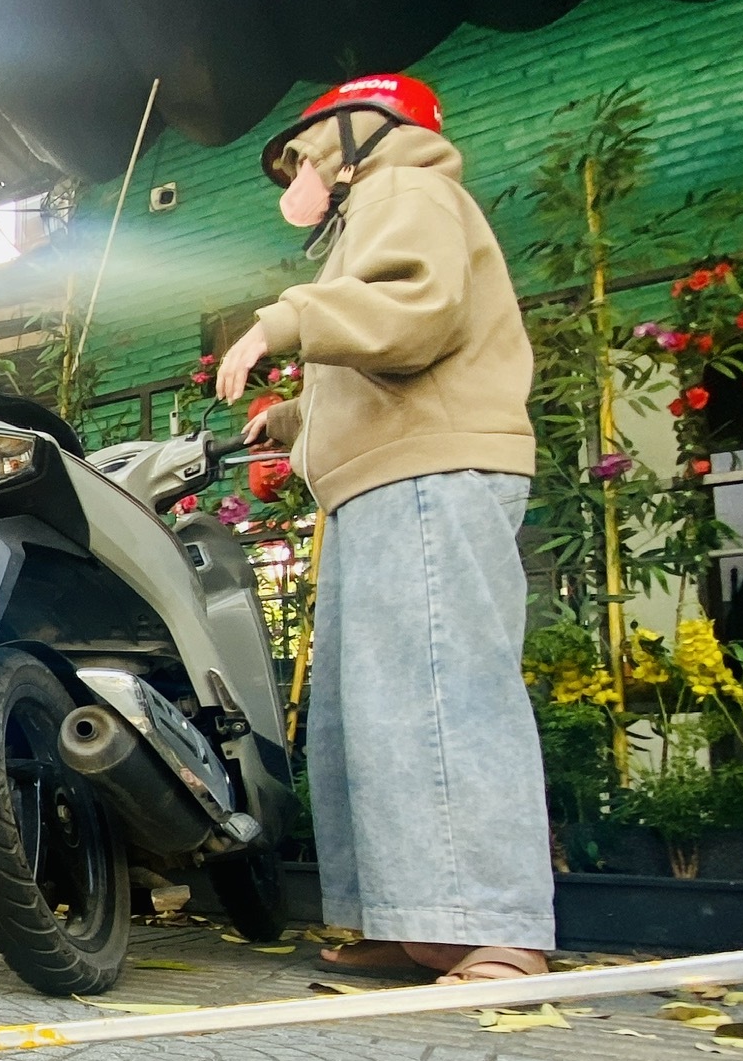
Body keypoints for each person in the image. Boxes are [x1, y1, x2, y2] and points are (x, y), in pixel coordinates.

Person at [214, 73, 556, 984]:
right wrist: (296, 418)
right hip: (387, 481)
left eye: (306, 148)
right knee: (370, 714)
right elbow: (389, 348)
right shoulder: (373, 213)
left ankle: (494, 931)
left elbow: (414, 309)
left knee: (441, 697)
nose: (298, 168)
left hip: (430, 474)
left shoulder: (407, 188)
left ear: (364, 127)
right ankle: (404, 919)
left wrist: (283, 322)